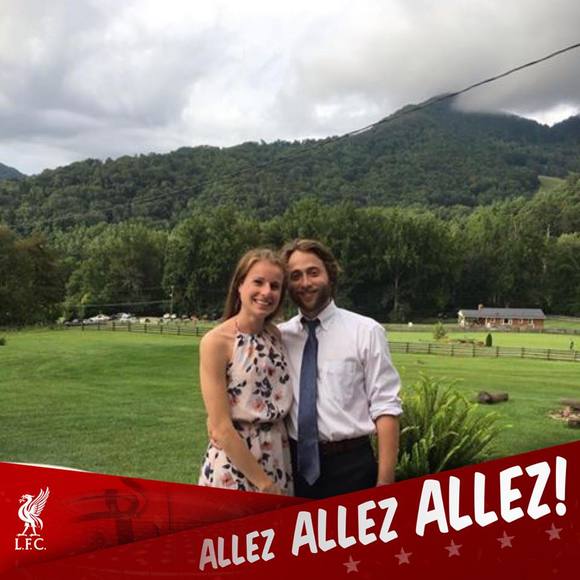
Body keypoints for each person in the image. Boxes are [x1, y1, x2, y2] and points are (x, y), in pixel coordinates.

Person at [278, 239, 402, 499]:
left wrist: (385, 483)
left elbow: (386, 407)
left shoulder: (366, 331)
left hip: (352, 469)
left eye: (313, 272)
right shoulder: (280, 337)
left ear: (330, 275)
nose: (305, 283)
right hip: (293, 469)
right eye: (295, 276)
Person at [198, 248, 293, 494]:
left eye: (275, 286)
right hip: (236, 463)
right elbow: (220, 427)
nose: (266, 292)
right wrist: (264, 484)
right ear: (240, 285)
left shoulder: (275, 335)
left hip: (278, 455)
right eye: (258, 282)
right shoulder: (216, 342)